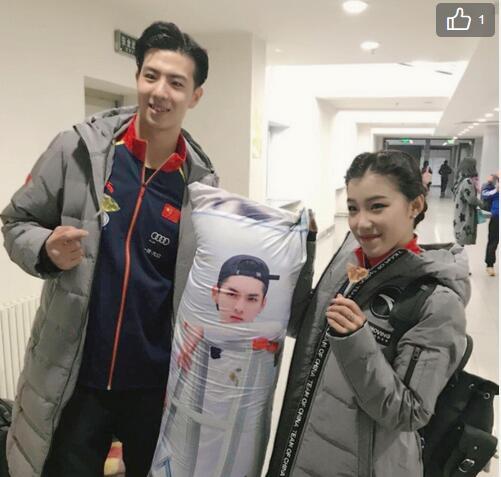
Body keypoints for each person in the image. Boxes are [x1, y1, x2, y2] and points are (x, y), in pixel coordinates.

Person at [1, 21, 218, 477]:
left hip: (154, 386)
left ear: (195, 96)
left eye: (176, 83)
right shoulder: (77, 150)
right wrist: (45, 249)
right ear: (137, 77)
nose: (160, 92)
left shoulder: (201, 188)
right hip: (76, 375)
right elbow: (16, 220)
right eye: (151, 76)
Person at [267, 150, 468, 477]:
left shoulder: (435, 301)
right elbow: (301, 327)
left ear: (415, 206)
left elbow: (409, 413)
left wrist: (355, 341)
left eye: (377, 206)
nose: (361, 222)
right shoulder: (350, 262)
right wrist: (303, 251)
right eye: (352, 208)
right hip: (301, 450)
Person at [152, 255, 283, 477]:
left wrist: (206, 330)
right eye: (232, 294)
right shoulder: (190, 335)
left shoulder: (265, 340)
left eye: (251, 299)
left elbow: (274, 328)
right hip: (185, 448)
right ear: (215, 293)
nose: (239, 307)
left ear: (263, 304)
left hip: (233, 454)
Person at [452, 157, 483, 246]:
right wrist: (483, 204)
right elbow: (471, 199)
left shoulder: (460, 180)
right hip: (465, 214)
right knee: (462, 239)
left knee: (459, 238)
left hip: (459, 212)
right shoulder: (467, 181)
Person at [481, 173, 499, 276]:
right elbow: (484, 194)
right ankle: (490, 265)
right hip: (496, 217)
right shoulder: (494, 189)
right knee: (493, 241)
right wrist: (493, 185)